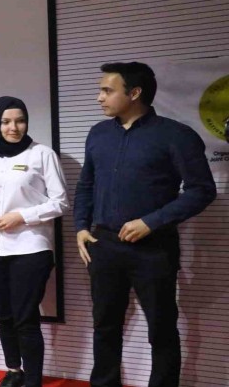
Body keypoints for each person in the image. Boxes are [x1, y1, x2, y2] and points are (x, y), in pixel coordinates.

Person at [74, 62, 216, 387]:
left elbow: (202, 190)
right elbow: (86, 185)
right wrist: (81, 226)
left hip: (154, 249)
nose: (99, 97)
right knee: (105, 326)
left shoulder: (176, 135)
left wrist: (151, 222)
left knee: (161, 329)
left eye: (107, 90)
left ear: (134, 93)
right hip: (104, 245)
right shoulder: (98, 134)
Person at [0, 97, 69, 387]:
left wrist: (22, 216)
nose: (13, 127)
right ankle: (14, 370)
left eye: (20, 120)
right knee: (3, 313)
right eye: (5, 122)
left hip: (30, 247)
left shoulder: (42, 154)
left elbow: (61, 202)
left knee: (25, 317)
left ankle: (33, 379)